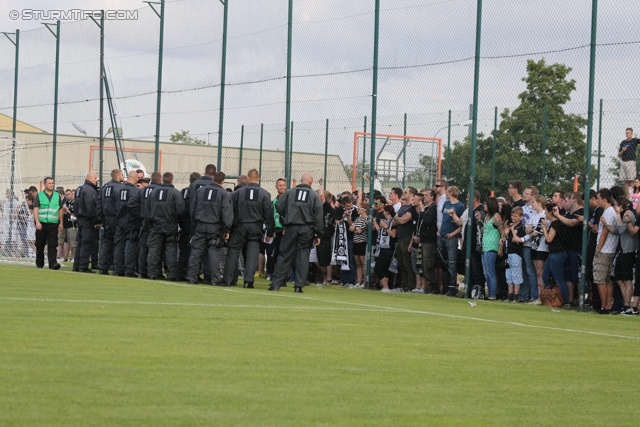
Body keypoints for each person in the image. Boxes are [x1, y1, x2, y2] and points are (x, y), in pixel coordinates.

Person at [269, 172, 323, 293]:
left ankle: (276, 284)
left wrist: (286, 216)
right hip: (306, 228)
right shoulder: (314, 195)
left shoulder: (289, 192)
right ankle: (299, 286)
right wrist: (318, 234)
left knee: (284, 253)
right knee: (303, 255)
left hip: (290, 227)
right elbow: (319, 215)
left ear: (301, 181)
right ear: (310, 182)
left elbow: (278, 205)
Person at [223, 169, 275, 288]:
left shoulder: (237, 193)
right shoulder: (264, 194)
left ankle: (228, 280)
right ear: (259, 178)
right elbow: (268, 215)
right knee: (252, 253)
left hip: (239, 226)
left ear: (247, 178)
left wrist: (228, 228)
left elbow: (230, 210)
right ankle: (248, 281)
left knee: (233, 251)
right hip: (255, 227)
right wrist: (270, 232)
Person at [187, 172, 234, 286]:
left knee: (196, 252)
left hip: (200, 225)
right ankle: (215, 279)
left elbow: (193, 208)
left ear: (213, 179)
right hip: (215, 226)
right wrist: (227, 229)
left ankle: (192, 277)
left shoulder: (201, 191)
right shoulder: (223, 193)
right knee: (214, 253)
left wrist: (194, 224)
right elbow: (226, 213)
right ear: (223, 181)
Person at [144, 172, 187, 281]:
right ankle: (171, 275)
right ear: (172, 180)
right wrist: (179, 223)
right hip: (170, 225)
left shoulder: (153, 193)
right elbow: (181, 211)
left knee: (153, 250)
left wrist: (150, 224)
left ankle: (152, 273)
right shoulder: (175, 193)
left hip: (156, 225)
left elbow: (147, 210)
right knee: (170, 251)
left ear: (162, 180)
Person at [128, 172, 162, 279]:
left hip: (145, 222)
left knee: (144, 247)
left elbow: (131, 204)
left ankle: (142, 271)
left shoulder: (143, 190)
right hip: (157, 223)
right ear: (160, 180)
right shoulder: (160, 191)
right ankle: (155, 271)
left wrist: (141, 214)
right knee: (156, 248)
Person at [593, 188, 619, 314]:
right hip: (611, 249)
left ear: (604, 199)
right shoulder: (612, 211)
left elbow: (605, 232)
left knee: (600, 279)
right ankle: (608, 305)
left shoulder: (607, 212)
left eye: (598, 198)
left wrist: (598, 249)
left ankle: (604, 306)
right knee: (607, 279)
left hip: (604, 250)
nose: (597, 200)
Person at [112, 170, 140, 277]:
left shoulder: (118, 190)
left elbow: (114, 204)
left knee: (119, 245)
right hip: (131, 222)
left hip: (119, 221)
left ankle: (118, 269)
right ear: (136, 178)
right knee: (130, 245)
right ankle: (129, 270)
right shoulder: (135, 191)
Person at [96, 169, 124, 274]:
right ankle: (117, 268)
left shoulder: (105, 187)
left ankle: (103, 267)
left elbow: (99, 203)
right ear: (117, 176)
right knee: (118, 243)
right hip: (116, 218)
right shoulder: (120, 188)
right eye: (122, 175)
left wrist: (101, 217)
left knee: (106, 243)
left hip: (107, 219)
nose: (123, 176)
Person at [32, 177, 64, 270]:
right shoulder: (39, 195)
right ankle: (39, 263)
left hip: (53, 224)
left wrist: (61, 222)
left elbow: (60, 209)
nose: (51, 185)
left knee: (53, 244)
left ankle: (53, 263)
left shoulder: (57, 195)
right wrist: (37, 222)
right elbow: (36, 209)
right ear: (45, 185)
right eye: (49, 183)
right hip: (41, 223)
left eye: (52, 183)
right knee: (40, 244)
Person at [391, 187, 418, 290]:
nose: (403, 194)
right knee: (401, 264)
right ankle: (403, 284)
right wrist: (398, 219)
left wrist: (397, 219)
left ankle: (410, 285)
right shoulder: (403, 207)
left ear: (411, 195)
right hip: (400, 238)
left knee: (407, 264)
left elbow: (402, 221)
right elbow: (394, 222)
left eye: (406, 192)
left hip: (407, 239)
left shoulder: (412, 208)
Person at [73, 172, 100, 273]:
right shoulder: (90, 190)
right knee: (87, 242)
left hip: (80, 218)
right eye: (95, 178)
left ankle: (77, 265)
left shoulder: (80, 189)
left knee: (81, 242)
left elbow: (75, 204)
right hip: (87, 219)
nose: (96, 180)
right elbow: (91, 205)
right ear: (89, 178)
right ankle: (83, 266)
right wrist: (96, 219)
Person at [177, 172, 201, 281]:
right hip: (195, 223)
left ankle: (181, 272)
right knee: (196, 250)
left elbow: (180, 208)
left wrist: (181, 222)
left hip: (185, 223)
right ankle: (193, 273)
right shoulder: (200, 190)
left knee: (184, 249)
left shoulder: (183, 191)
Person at [266, 178, 287, 281]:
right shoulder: (273, 201)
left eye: (283, 185)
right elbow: (270, 217)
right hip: (276, 231)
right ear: (276, 186)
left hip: (285, 231)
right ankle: (275, 275)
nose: (281, 187)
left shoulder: (288, 200)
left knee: (285, 254)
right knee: (275, 254)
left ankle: (286, 276)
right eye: (280, 185)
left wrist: (285, 227)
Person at [482, 197, 503, 300]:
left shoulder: (496, 217)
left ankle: (492, 295)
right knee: (486, 272)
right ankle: (490, 292)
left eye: (485, 204)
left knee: (491, 272)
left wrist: (501, 247)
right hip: (485, 246)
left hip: (492, 246)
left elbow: (502, 231)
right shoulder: (487, 216)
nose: (484, 205)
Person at [373, 205, 397, 292]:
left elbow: (393, 235)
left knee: (378, 268)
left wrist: (386, 227)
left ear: (387, 212)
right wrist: (374, 222)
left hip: (389, 249)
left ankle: (386, 285)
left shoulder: (393, 222)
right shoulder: (385, 221)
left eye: (384, 211)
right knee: (382, 268)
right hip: (382, 248)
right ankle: (385, 285)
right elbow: (380, 232)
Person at [505, 207, 526, 302]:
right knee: (509, 274)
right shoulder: (511, 226)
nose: (513, 217)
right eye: (512, 215)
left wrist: (513, 230)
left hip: (516, 253)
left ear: (520, 217)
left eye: (515, 216)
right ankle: (510, 295)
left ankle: (516, 296)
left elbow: (517, 240)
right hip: (508, 252)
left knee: (516, 274)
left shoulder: (521, 227)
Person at [350, 201, 370, 288]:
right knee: (357, 263)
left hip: (362, 242)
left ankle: (364, 282)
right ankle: (359, 281)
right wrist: (355, 229)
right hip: (355, 242)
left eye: (359, 208)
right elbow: (351, 228)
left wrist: (355, 228)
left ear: (364, 210)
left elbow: (359, 230)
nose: (358, 210)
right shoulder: (358, 219)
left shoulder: (367, 219)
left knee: (363, 263)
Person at [618, 127, 640, 194]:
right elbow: (619, 154)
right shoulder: (623, 142)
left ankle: (632, 195)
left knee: (631, 180)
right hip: (624, 162)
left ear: (631, 133)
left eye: (628, 133)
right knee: (626, 181)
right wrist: (622, 151)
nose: (627, 134)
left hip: (631, 162)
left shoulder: (634, 140)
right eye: (626, 133)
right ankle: (628, 196)